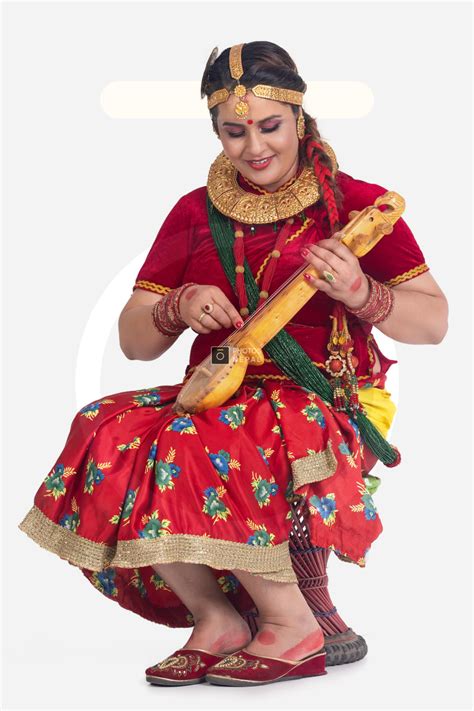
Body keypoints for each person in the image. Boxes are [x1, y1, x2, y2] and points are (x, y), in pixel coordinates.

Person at [18, 41, 448, 687]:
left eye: (270, 126)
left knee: (195, 440)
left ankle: (294, 624)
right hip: (218, 391)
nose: (254, 147)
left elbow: (434, 322)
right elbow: (135, 342)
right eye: (234, 130)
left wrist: (362, 293)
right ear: (216, 129)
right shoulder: (197, 211)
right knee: (107, 426)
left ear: (300, 121)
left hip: (329, 398)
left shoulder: (359, 205)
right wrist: (177, 307)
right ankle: (217, 617)